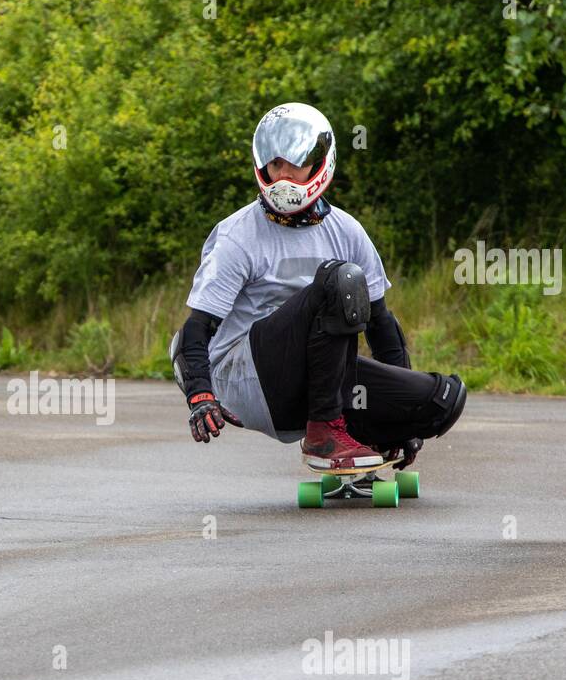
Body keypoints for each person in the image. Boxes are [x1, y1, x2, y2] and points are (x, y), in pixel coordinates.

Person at [170, 102, 466, 469]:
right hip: (248, 379)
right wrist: (201, 393)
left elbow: (381, 327)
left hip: (313, 385)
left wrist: (399, 420)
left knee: (442, 399)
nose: (283, 177)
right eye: (275, 165)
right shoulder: (238, 235)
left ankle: (354, 437)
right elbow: (195, 330)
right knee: (339, 280)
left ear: (321, 162)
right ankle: (324, 434)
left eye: (294, 165)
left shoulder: (346, 231)